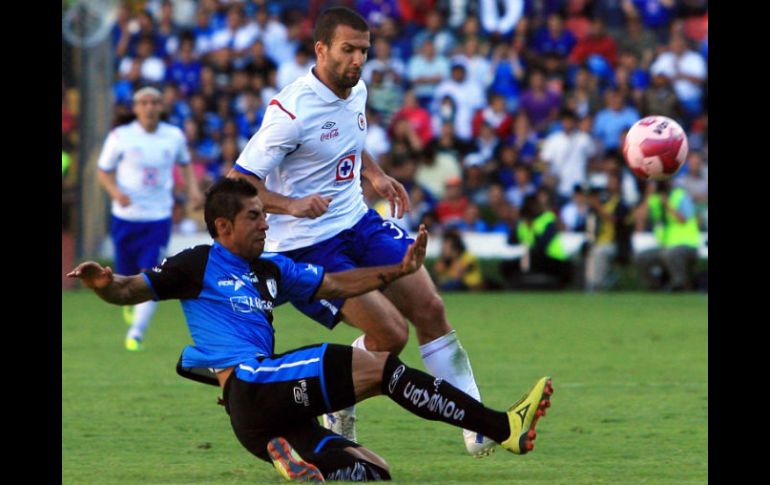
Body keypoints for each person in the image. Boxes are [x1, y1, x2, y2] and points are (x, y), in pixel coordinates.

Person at [67, 178, 554, 483]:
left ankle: (298, 467)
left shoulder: (274, 269)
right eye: (254, 217)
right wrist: (104, 283)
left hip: (266, 422)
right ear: (223, 225)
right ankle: (501, 428)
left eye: (265, 215)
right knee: (381, 367)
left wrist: (399, 271)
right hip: (250, 384)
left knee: (375, 472)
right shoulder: (197, 263)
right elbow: (132, 290)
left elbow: (338, 282)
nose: (264, 224)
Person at [226, 6, 494, 456]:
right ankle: (338, 401)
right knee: (390, 337)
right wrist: (290, 204)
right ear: (321, 48)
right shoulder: (290, 112)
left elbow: (350, 137)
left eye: (363, 51)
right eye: (347, 50)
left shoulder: (357, 88)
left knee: (429, 305)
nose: (357, 59)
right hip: (306, 247)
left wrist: (374, 174)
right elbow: (238, 185)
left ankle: (476, 419)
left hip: (359, 221)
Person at [96, 86, 204, 351]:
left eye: (154, 102)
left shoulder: (173, 136)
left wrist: (192, 190)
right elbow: (103, 171)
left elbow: (185, 164)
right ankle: (132, 306)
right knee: (125, 275)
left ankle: (136, 333)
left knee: (149, 274)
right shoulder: (120, 136)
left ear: (161, 107)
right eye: (143, 103)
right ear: (135, 108)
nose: (149, 107)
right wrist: (115, 192)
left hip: (157, 218)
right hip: (125, 218)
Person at [634, 180, 701, 291]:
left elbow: (683, 219)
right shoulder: (654, 200)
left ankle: (680, 285)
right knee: (642, 257)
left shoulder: (680, 196)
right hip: (666, 246)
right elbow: (639, 218)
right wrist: (648, 196)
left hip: (687, 245)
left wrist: (667, 205)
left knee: (670, 254)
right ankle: (654, 287)